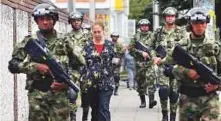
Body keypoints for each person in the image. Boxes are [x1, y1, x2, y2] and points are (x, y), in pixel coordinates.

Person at [7, 3, 85, 121]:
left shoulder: (65, 40)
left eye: (48, 19)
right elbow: (13, 65)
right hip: (37, 94)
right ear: (36, 21)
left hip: (60, 94)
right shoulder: (30, 41)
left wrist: (68, 81)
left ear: (54, 20)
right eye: (41, 19)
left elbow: (79, 65)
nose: (45, 22)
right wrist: (35, 66)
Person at [172, 7, 221, 121]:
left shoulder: (215, 47)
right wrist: (186, 71)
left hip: (210, 100)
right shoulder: (181, 46)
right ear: (190, 24)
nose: (199, 26)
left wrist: (217, 86)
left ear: (206, 24)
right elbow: (167, 67)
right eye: (196, 23)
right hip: (187, 99)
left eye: (202, 23)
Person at [151, 7, 187, 121]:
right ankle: (164, 115)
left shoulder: (181, 31)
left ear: (175, 17)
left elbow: (186, 47)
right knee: (163, 90)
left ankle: (172, 116)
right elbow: (150, 46)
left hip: (176, 66)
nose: (170, 18)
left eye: (172, 16)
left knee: (174, 92)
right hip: (162, 65)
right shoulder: (158, 31)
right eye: (168, 16)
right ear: (165, 17)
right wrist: (154, 57)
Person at [82, 21, 115, 121]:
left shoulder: (110, 45)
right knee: (95, 110)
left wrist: (112, 70)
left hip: (107, 83)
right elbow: (83, 63)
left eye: (99, 32)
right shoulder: (87, 45)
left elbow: (116, 60)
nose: (97, 34)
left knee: (104, 108)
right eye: (95, 32)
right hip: (91, 83)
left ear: (103, 31)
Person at [65, 11, 91, 121]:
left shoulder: (88, 36)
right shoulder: (66, 37)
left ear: (81, 22)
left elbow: (93, 51)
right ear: (70, 22)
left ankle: (85, 117)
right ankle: (73, 118)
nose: (76, 22)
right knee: (71, 94)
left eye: (78, 20)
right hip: (72, 68)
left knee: (86, 95)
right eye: (74, 21)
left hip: (86, 69)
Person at [129, 19, 157, 109]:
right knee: (140, 82)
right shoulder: (135, 37)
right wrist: (141, 53)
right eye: (143, 25)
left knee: (151, 79)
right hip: (139, 63)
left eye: (146, 25)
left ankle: (151, 100)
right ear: (140, 27)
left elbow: (158, 47)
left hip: (150, 62)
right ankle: (143, 101)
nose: (144, 27)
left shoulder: (153, 36)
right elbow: (131, 49)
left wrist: (153, 55)